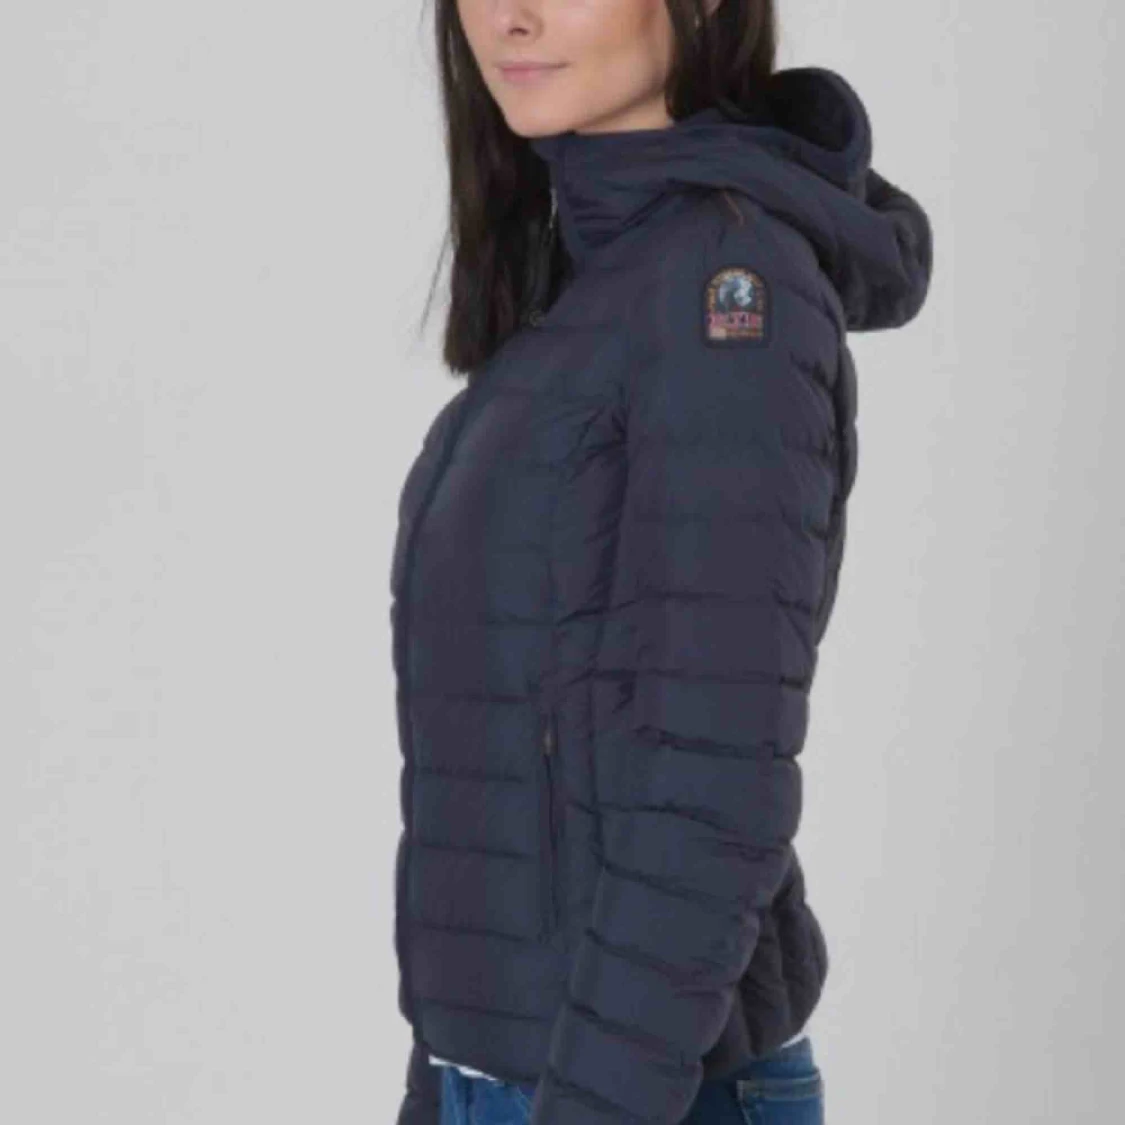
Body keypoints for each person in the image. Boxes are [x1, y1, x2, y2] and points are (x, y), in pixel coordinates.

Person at [389, 1, 933, 1123]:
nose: (511, 17)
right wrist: (439, 1086)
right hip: (507, 1083)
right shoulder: (596, 272)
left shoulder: (727, 285)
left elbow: (713, 778)